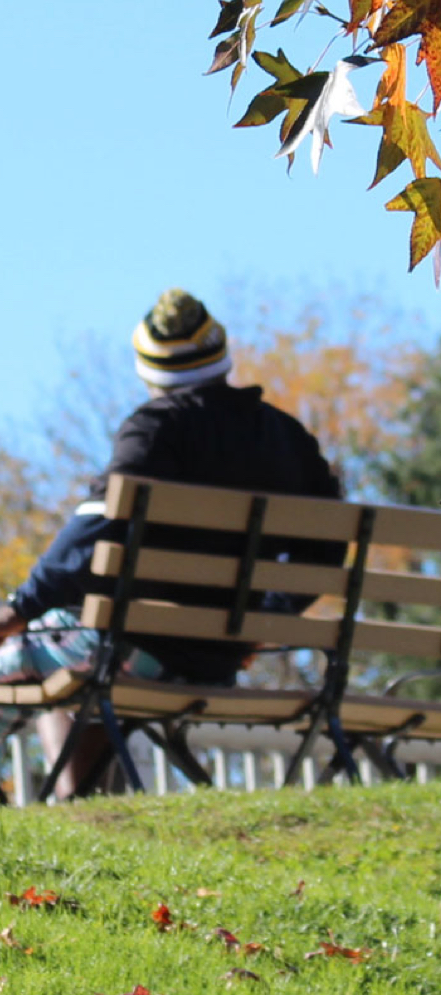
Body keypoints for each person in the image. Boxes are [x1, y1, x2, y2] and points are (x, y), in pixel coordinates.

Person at [0, 289, 342, 795]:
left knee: (55, 640)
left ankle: (76, 802)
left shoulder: (155, 430)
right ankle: (81, 807)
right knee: (82, 648)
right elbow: (328, 547)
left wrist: (18, 607)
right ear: (221, 354)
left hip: (143, 651)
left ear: (149, 368)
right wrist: (265, 618)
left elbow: (96, 531)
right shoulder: (287, 438)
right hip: (216, 660)